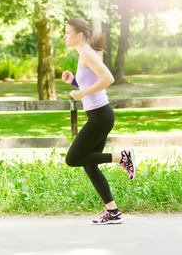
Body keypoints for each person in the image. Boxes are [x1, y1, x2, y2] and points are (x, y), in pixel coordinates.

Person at [62, 18, 136, 225]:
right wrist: (74, 82)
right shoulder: (83, 53)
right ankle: (113, 211)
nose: (65, 36)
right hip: (99, 115)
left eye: (68, 32)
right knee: (90, 165)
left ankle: (122, 157)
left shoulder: (86, 52)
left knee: (73, 159)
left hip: (100, 116)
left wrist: (82, 92)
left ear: (79, 35)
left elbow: (108, 78)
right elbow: (95, 81)